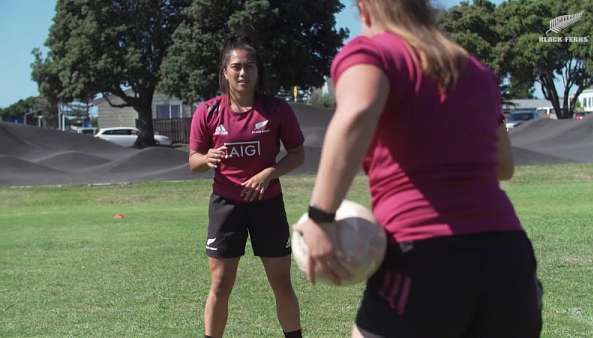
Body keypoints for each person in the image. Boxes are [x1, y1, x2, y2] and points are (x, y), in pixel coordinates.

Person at [294, 0, 542, 337]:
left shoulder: (371, 53)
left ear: (365, 9)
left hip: (426, 256)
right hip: (507, 255)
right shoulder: (474, 69)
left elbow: (357, 112)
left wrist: (320, 217)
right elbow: (503, 166)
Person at [188, 35, 304, 338]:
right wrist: (207, 157)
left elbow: (297, 155)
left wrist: (269, 173)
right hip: (226, 207)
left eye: (249, 67)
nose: (243, 73)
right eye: (236, 67)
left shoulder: (276, 110)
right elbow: (193, 161)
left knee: (281, 283)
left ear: (257, 71)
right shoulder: (208, 112)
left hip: (268, 205)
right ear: (225, 71)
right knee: (220, 285)